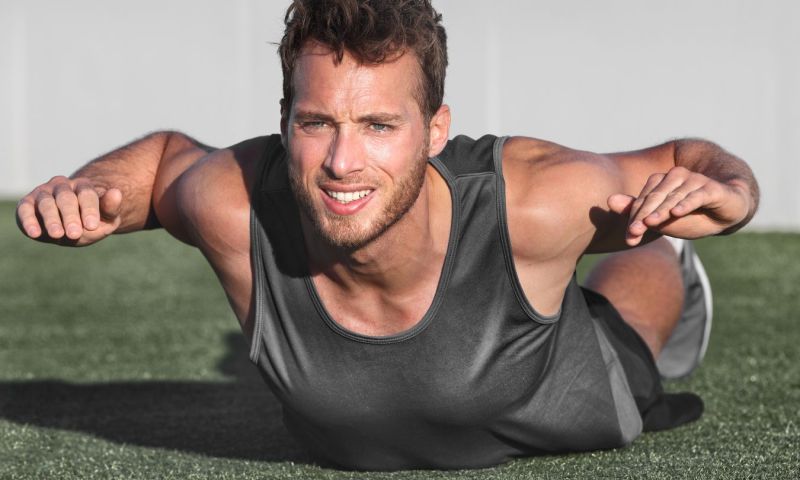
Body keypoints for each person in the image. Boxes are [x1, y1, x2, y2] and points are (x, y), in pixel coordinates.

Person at [15, 0, 758, 471]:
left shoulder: (530, 200)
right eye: (317, 123)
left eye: (378, 125)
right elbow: (162, 162)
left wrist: (728, 195)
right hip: (380, 422)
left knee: (634, 290)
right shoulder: (234, 203)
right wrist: (90, 187)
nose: (342, 162)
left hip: (563, 398)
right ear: (286, 120)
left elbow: (688, 163)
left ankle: (671, 262)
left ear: (435, 128)